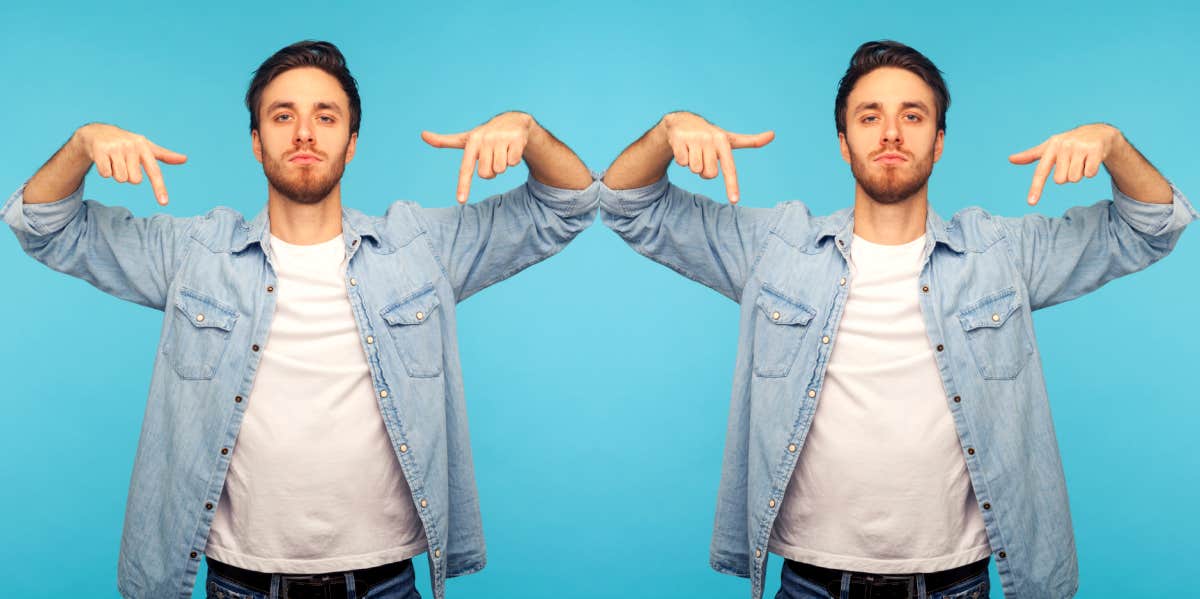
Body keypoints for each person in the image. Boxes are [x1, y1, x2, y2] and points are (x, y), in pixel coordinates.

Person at [598, 40, 1195, 599]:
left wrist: (1113, 146)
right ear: (842, 141)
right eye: (868, 116)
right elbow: (628, 206)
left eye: (912, 116)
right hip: (810, 582)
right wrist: (667, 131)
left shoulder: (1000, 254)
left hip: (953, 585)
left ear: (938, 142)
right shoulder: (774, 247)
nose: (889, 133)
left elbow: (1153, 225)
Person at [2, 40, 597, 599]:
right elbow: (42, 225)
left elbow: (568, 206)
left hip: (385, 581)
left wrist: (528, 131)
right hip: (241, 584)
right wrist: (82, 146)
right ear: (257, 142)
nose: (306, 132)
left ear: (353, 141)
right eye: (283, 116)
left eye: (327, 117)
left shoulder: (421, 248)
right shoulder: (195, 255)